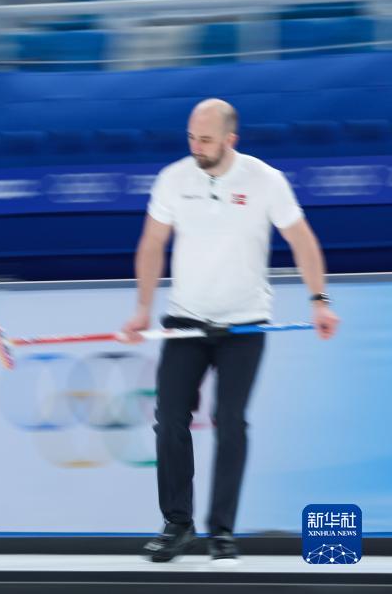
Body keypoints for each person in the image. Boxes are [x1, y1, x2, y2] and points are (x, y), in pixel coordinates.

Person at [120, 99, 339, 564]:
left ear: (230, 140)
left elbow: (302, 241)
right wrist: (141, 309)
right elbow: (152, 243)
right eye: (191, 138)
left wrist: (319, 300)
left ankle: (222, 531)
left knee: (230, 420)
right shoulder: (173, 179)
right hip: (185, 321)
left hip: (244, 324)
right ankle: (178, 525)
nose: (196, 147)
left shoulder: (265, 180)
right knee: (170, 419)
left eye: (206, 140)